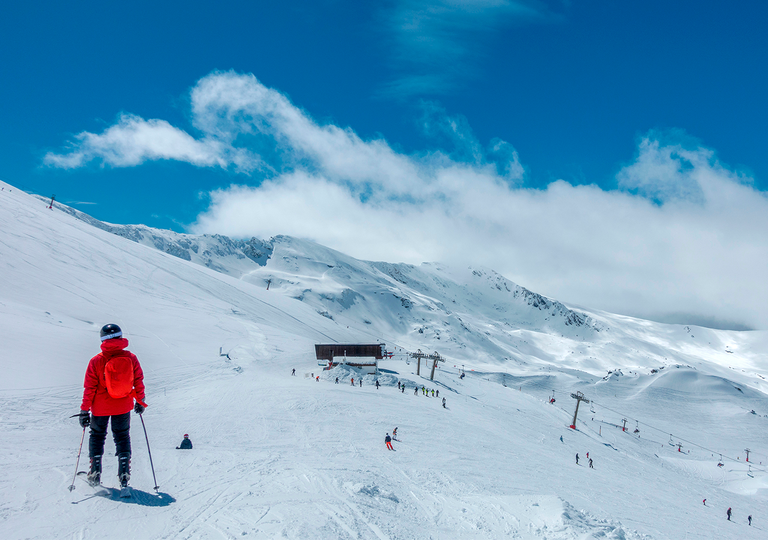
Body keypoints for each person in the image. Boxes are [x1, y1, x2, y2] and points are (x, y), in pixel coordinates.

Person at [78, 324, 146, 489]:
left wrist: (84, 410)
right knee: (122, 437)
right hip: (123, 405)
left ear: (102, 339)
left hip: (100, 408)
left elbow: (90, 388)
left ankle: (94, 472)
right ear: (120, 337)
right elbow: (138, 381)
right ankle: (124, 474)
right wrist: (140, 401)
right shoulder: (131, 357)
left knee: (97, 436)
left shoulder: (96, 360)